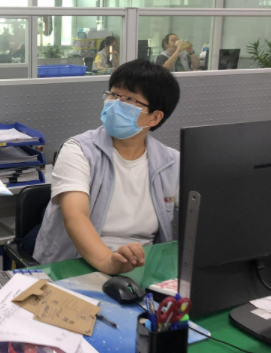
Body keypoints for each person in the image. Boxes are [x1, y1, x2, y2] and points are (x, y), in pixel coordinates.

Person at [33, 60, 180, 273]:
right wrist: (108, 262)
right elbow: (75, 216)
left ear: (155, 117)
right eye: (113, 94)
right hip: (75, 263)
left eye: (129, 99)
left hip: (143, 265)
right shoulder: (79, 150)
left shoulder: (171, 163)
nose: (116, 103)